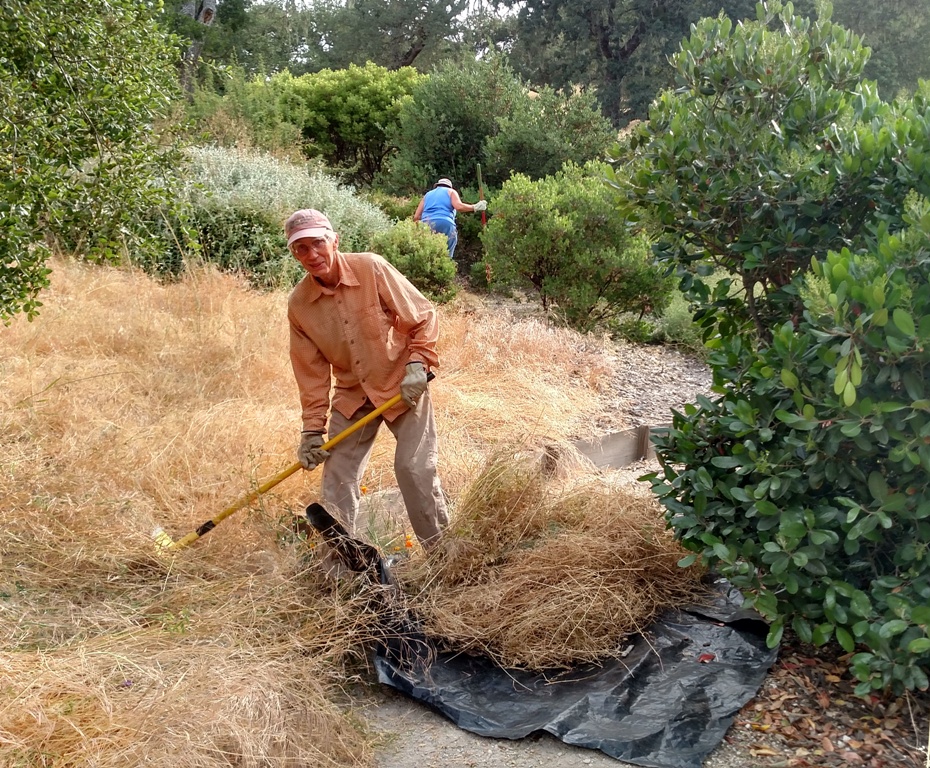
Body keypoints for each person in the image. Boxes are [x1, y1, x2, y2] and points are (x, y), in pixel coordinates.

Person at [284, 208, 449, 574]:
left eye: (318, 244)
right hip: (352, 394)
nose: (312, 255)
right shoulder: (299, 305)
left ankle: (443, 560)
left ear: (334, 241)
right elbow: (310, 374)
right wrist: (312, 430)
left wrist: (417, 365)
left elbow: (422, 316)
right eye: (301, 249)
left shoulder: (371, 268)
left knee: (412, 468)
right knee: (336, 480)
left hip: (400, 387)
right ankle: (344, 571)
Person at [413, 177, 487, 259]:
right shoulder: (451, 192)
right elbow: (458, 207)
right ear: (449, 186)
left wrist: (418, 230)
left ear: (437, 186)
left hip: (427, 224)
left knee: (427, 253)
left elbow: (416, 217)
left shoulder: (427, 195)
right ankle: (446, 265)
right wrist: (475, 207)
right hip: (445, 223)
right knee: (447, 254)